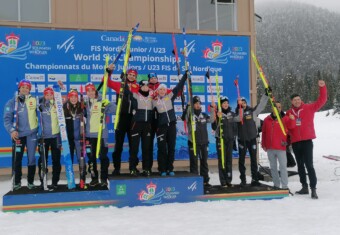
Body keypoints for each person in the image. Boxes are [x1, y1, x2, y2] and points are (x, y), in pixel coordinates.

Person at [286, 80, 327, 199]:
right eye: (294, 100)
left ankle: (313, 189)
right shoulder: (289, 113)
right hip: (295, 143)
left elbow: (322, 100)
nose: (297, 101)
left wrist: (322, 87)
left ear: (300, 100)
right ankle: (304, 186)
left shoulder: (309, 108)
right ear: (291, 102)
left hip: (307, 141)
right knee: (299, 165)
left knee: (309, 165)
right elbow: (287, 127)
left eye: (298, 99)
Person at [3, 79, 38, 190]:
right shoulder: (12, 102)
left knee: (31, 158)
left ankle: (31, 182)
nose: (24, 89)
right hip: (18, 135)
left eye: (27, 88)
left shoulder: (34, 100)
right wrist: (12, 130)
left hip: (31, 135)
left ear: (29, 90)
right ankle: (17, 182)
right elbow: (7, 119)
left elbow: (47, 103)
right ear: (19, 88)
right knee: (17, 159)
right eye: (22, 87)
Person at [152, 72, 188, 176]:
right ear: (158, 91)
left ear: (166, 90)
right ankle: (162, 169)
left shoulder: (169, 97)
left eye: (164, 89)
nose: (162, 91)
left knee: (171, 147)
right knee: (162, 148)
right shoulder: (154, 101)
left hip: (172, 125)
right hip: (161, 127)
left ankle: (170, 168)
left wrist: (184, 77)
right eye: (160, 90)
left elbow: (178, 87)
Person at [106, 66, 139, 175]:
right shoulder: (120, 84)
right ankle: (116, 168)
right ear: (127, 74)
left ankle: (133, 167)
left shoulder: (138, 87)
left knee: (133, 145)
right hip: (121, 118)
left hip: (133, 119)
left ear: (136, 77)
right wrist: (109, 72)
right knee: (118, 144)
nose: (132, 76)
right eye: (130, 74)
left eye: (134, 75)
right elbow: (106, 82)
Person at [84, 82, 115, 187]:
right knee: (91, 158)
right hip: (89, 136)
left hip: (101, 135)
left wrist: (108, 103)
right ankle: (94, 178)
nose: (91, 92)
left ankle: (104, 178)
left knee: (103, 157)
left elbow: (115, 110)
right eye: (88, 91)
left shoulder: (102, 101)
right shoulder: (84, 103)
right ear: (86, 92)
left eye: (92, 90)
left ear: (95, 91)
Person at [236, 93, 269, 186]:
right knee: (241, 160)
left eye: (244, 102)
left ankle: (255, 179)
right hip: (242, 140)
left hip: (252, 140)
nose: (243, 104)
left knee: (254, 160)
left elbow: (261, 105)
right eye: (241, 103)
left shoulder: (252, 112)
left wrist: (265, 95)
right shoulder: (237, 114)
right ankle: (243, 180)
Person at [261, 101, 295, 190]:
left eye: (279, 107)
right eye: (276, 107)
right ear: (272, 108)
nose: (278, 108)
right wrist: (263, 144)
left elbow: (291, 127)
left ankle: (284, 186)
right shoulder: (267, 119)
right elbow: (264, 133)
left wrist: (292, 119)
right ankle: (276, 185)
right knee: (273, 167)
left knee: (283, 167)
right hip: (270, 148)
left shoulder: (285, 118)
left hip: (281, 147)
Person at [184, 96, 215, 188]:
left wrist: (213, 109)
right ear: (193, 105)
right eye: (196, 103)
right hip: (193, 143)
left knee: (204, 162)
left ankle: (205, 181)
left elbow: (212, 120)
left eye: (199, 103)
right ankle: (194, 181)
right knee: (194, 163)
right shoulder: (190, 115)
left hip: (204, 143)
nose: (198, 105)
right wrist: (188, 107)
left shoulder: (204, 115)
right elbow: (185, 117)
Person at [127, 80, 154, 176]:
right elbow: (126, 90)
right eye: (143, 85)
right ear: (140, 86)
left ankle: (146, 168)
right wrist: (124, 79)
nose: (146, 87)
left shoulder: (152, 96)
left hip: (147, 125)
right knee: (134, 148)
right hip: (136, 124)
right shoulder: (135, 95)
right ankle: (132, 168)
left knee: (146, 148)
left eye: (147, 85)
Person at [37, 87, 61, 189]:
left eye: (51, 95)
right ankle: (43, 180)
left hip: (55, 137)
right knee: (43, 160)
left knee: (56, 160)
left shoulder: (57, 105)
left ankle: (55, 181)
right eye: (47, 95)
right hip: (43, 137)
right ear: (44, 95)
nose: (49, 97)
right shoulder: (40, 105)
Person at [212, 96, 239, 187]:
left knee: (229, 160)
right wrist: (218, 117)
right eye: (223, 103)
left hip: (230, 140)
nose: (225, 104)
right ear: (221, 104)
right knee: (222, 160)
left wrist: (239, 106)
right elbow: (214, 127)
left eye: (226, 103)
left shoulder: (232, 114)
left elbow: (239, 119)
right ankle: (223, 181)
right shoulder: (218, 114)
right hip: (221, 139)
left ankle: (229, 180)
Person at [63, 89, 84, 182]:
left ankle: (82, 180)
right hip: (69, 139)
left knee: (81, 159)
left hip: (79, 139)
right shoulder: (64, 107)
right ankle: (70, 181)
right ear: (69, 97)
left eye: (75, 97)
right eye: (72, 97)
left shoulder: (82, 106)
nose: (74, 99)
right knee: (69, 160)